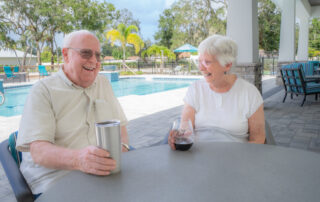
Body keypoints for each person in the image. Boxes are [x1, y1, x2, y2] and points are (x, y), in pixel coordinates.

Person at [16, 30, 129, 195]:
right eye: (86, 53)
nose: (94, 61)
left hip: (99, 174)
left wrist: (122, 151)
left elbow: (121, 128)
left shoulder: (103, 83)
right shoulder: (43, 91)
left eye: (97, 55)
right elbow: (38, 151)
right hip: (55, 180)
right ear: (66, 55)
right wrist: (79, 160)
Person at [169, 35, 265, 150]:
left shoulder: (250, 93)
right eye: (199, 62)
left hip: (236, 159)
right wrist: (178, 137)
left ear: (227, 65)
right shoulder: (195, 90)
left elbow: (258, 139)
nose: (201, 68)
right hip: (199, 159)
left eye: (207, 62)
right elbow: (185, 128)